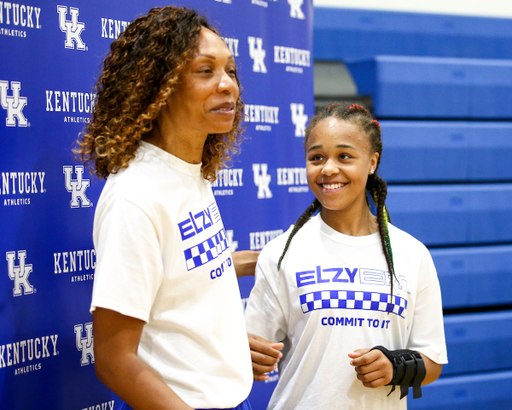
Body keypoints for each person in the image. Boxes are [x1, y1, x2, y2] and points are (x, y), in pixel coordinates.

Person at [75, 6, 255, 410]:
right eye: (205, 71)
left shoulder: (189, 173)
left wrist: (224, 349)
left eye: (230, 70)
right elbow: (114, 359)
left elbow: (179, 282)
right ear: (160, 86)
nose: (228, 85)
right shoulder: (136, 196)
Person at [244, 103, 448, 410]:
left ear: (372, 162)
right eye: (316, 157)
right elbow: (250, 350)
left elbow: (432, 361)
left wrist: (396, 366)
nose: (328, 169)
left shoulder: (412, 254)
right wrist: (244, 355)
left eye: (344, 156)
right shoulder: (282, 252)